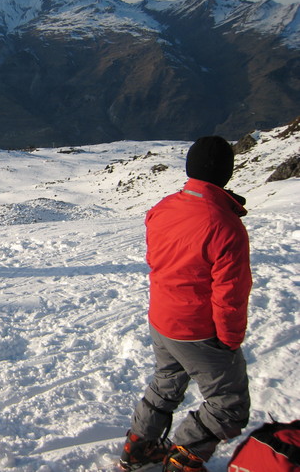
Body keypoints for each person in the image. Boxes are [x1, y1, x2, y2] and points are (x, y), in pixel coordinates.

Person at [118, 136, 252, 472]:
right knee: (229, 404)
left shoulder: (163, 208)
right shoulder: (225, 225)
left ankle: (138, 448)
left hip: (162, 320)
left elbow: (157, 260)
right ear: (226, 172)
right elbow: (230, 294)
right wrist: (229, 341)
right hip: (197, 329)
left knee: (166, 382)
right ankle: (183, 459)